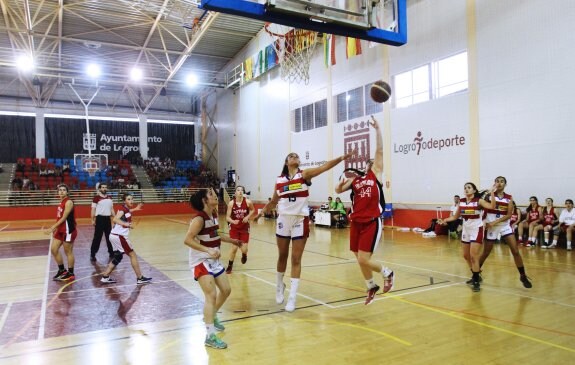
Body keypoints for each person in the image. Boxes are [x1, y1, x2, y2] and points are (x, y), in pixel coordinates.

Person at [262, 149, 355, 312]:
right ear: (286, 162)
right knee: (282, 255)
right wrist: (262, 211)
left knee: (296, 259)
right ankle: (279, 285)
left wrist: (341, 158)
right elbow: (274, 200)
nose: (295, 157)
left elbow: (325, 167)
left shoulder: (304, 175)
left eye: (296, 156)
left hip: (300, 219)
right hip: (284, 219)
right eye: (291, 156)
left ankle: (292, 298)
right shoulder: (279, 180)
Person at [335, 116, 394, 305]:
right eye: (369, 162)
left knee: (364, 258)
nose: (371, 162)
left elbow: (380, 150)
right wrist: (340, 186)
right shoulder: (356, 180)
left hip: (371, 221)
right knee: (360, 259)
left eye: (373, 161)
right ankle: (371, 286)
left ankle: (387, 273)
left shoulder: (375, 175)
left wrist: (377, 130)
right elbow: (338, 190)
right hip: (356, 222)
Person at [183, 188, 242, 349]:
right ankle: (210, 336)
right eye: (210, 194)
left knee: (226, 290)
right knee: (211, 295)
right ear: (204, 200)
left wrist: (232, 240)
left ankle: (212, 315)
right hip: (200, 260)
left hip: (213, 260)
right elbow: (187, 240)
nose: (215, 194)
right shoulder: (199, 219)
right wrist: (207, 250)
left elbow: (215, 235)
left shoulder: (214, 214)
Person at [438, 182, 495, 292]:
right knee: (465, 255)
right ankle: (476, 275)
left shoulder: (479, 201)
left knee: (474, 256)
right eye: (465, 188)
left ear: (474, 190)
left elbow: (492, 206)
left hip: (477, 229)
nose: (466, 189)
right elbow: (455, 216)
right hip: (466, 229)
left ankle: (476, 281)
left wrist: (492, 193)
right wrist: (444, 220)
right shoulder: (462, 201)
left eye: (469, 187)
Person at [478, 176, 532, 289]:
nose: (499, 183)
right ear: (494, 183)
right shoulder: (488, 195)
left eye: (502, 181)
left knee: (515, 251)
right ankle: (475, 274)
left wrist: (495, 222)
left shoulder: (509, 198)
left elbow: (508, 215)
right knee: (486, 252)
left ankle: (523, 275)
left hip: (504, 226)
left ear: (505, 184)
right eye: (497, 181)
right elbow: (479, 205)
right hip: (491, 227)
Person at [100, 193, 151, 285]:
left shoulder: (126, 209)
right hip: (119, 236)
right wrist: (125, 224)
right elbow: (115, 219)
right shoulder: (123, 210)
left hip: (114, 235)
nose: (131, 201)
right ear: (124, 201)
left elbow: (127, 212)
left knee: (118, 257)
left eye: (132, 199)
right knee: (133, 255)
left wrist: (135, 209)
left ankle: (105, 277)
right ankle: (140, 278)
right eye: (129, 199)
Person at [46, 183, 77, 281]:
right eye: (60, 190)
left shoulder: (68, 202)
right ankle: (62, 270)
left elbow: (64, 217)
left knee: (68, 252)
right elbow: (59, 217)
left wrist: (52, 227)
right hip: (60, 229)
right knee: (54, 249)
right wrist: (56, 228)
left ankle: (71, 273)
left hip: (68, 230)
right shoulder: (61, 202)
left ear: (67, 192)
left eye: (64, 190)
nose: (62, 191)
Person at [225, 185, 256, 274]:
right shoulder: (231, 203)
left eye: (242, 190)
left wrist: (247, 217)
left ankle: (244, 255)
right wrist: (233, 221)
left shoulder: (248, 202)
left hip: (244, 228)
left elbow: (253, 210)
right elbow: (227, 217)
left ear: (243, 192)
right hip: (234, 228)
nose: (240, 191)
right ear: (235, 193)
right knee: (234, 248)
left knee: (244, 249)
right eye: (238, 190)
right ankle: (230, 265)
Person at [90, 182, 115, 262]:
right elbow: (93, 209)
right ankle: (93, 254)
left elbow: (112, 209)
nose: (104, 189)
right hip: (99, 219)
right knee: (97, 238)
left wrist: (115, 218)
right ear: (100, 189)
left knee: (110, 237)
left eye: (105, 187)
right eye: (103, 187)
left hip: (107, 219)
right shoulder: (96, 198)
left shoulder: (110, 197)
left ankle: (111, 253)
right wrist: (92, 219)